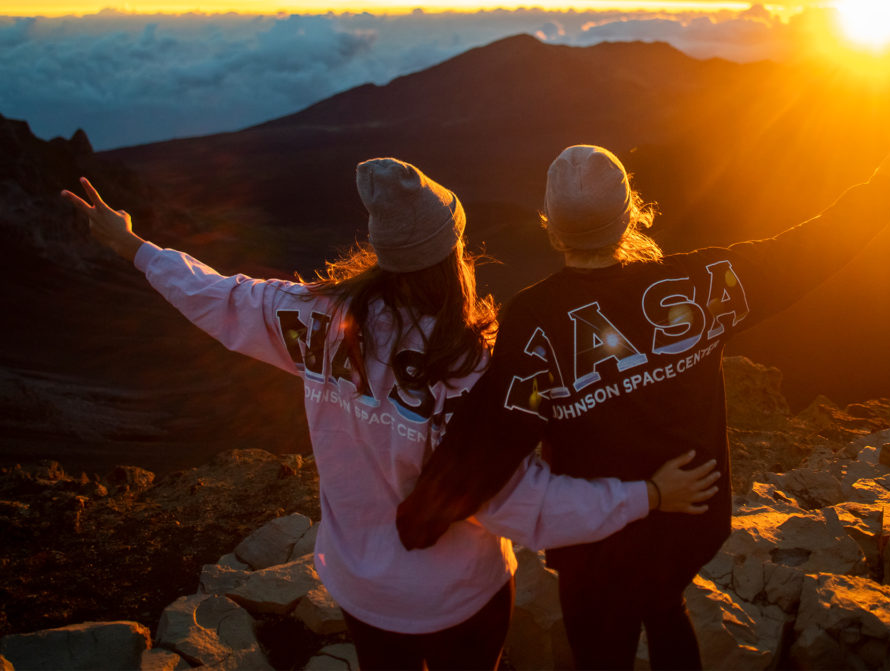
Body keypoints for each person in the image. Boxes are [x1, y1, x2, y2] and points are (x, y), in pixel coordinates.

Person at [61, 158, 719, 671]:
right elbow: (519, 505)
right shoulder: (470, 370)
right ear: (452, 255)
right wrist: (647, 494)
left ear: (382, 252)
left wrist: (133, 247)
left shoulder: (316, 318)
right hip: (461, 593)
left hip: (361, 587)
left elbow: (218, 297)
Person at [397, 141, 890, 670]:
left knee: (602, 644)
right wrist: (880, 193)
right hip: (693, 519)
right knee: (663, 601)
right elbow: (799, 254)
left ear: (552, 227)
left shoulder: (536, 319)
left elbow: (497, 431)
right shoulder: (699, 284)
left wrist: (421, 517)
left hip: (601, 542)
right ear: (630, 218)